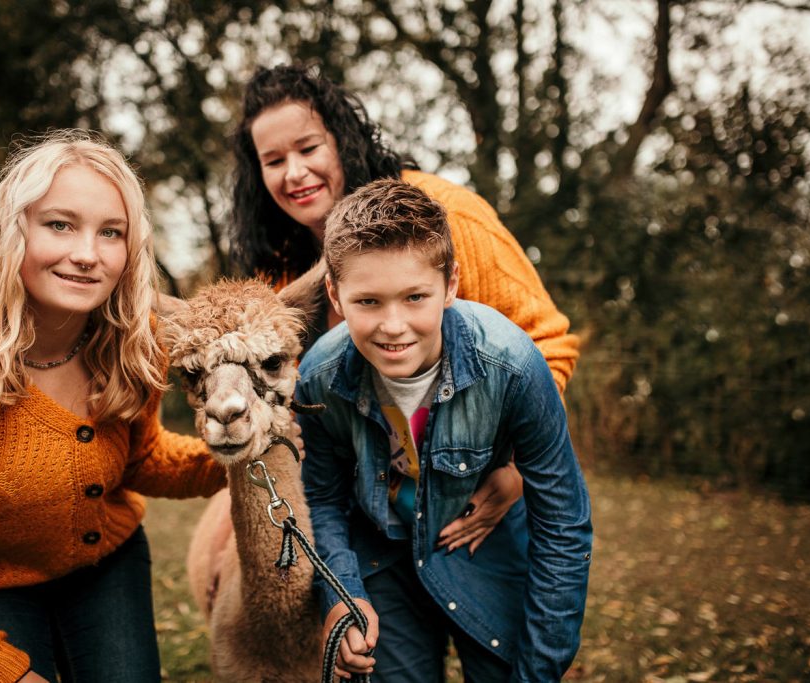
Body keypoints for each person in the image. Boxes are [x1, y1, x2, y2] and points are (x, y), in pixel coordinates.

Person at [0, 130, 225, 682]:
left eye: (111, 233)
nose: (86, 254)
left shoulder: (133, 336)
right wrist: (2, 671)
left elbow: (140, 458)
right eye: (60, 224)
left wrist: (236, 458)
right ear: (13, 229)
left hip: (107, 568)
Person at [230, 62, 580, 554]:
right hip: (359, 522)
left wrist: (516, 470)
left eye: (308, 148)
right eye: (273, 160)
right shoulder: (278, 268)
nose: (294, 173)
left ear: (343, 140)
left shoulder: (450, 218)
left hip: (477, 500)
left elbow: (545, 341)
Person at [295, 179, 592, 681]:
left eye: (415, 297)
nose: (393, 325)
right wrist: (342, 596)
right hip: (382, 555)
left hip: (485, 542)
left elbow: (563, 523)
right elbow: (320, 499)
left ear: (451, 284)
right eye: (368, 302)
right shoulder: (318, 377)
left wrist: (540, 669)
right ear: (335, 295)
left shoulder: (513, 365)